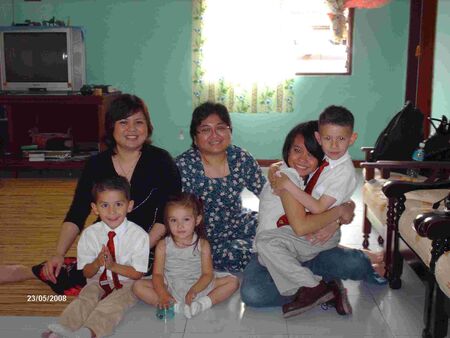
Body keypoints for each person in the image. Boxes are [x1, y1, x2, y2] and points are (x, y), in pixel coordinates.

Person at [0, 94, 181, 295]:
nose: (132, 129)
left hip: (149, 243)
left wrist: (137, 249)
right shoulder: (96, 164)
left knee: (137, 282)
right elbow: (77, 213)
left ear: (148, 127)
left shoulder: (161, 160)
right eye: (123, 122)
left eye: (139, 122)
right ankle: (28, 272)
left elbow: (168, 215)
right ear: (111, 127)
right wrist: (58, 254)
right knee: (72, 274)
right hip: (106, 242)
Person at [241, 119, 386, 314]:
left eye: (311, 154)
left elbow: (341, 200)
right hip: (273, 256)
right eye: (297, 150)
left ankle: (310, 284)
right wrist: (338, 213)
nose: (302, 159)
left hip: (310, 249)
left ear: (321, 158)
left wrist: (342, 212)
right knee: (254, 294)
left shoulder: (318, 177)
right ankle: (320, 286)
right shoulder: (286, 177)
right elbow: (301, 226)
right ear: (287, 150)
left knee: (355, 264)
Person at [44, 176, 149, 338]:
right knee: (86, 297)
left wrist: (113, 266)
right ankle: (63, 328)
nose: (112, 211)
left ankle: (90, 331)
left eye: (118, 205)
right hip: (98, 279)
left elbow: (137, 274)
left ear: (130, 206)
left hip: (128, 282)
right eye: (105, 205)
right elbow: (86, 273)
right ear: (95, 208)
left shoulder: (139, 236)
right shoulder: (89, 234)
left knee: (112, 304)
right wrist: (96, 263)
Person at [176, 102, 266, 272]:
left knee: (272, 236)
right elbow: (174, 211)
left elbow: (266, 193)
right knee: (220, 255)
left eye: (220, 128)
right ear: (195, 138)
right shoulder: (183, 165)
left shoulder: (241, 158)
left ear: (230, 131)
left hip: (240, 225)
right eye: (205, 129)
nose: (214, 135)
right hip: (201, 234)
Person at [133, 192, 239, 319]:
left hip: (199, 284)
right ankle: (174, 305)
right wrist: (163, 294)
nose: (180, 226)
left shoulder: (203, 244)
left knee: (233, 282)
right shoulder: (163, 245)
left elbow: (207, 274)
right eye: (173, 220)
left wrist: (194, 290)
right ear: (167, 222)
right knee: (138, 286)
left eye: (186, 219)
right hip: (170, 284)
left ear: (197, 220)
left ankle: (202, 304)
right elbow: (157, 274)